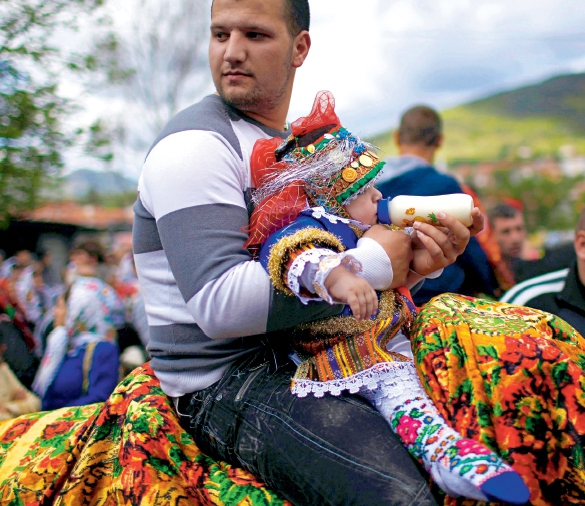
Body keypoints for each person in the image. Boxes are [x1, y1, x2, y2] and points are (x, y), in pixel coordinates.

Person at [133, 1, 483, 504]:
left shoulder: (295, 144)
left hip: (309, 347)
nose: (232, 52)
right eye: (220, 34)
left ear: (300, 48)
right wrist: (376, 264)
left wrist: (415, 269)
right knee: (400, 497)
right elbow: (217, 303)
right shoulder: (194, 145)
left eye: (255, 35)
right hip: (229, 379)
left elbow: (341, 257)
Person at [244, 91, 528, 504]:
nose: (379, 197)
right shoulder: (318, 227)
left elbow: (398, 271)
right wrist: (339, 278)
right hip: (351, 348)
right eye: (366, 190)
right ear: (332, 197)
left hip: (389, 334)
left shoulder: (361, 230)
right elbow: (293, 257)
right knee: (399, 389)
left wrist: (434, 246)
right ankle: (445, 455)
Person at [375, 105, 499, 304]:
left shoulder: (373, 187)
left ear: (397, 137)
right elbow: (470, 250)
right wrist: (493, 287)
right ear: (440, 140)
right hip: (439, 297)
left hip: (387, 295)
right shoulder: (445, 185)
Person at [32, 275, 122, 410]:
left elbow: (99, 398)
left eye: (60, 307)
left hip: (74, 426)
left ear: (77, 310)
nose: (55, 312)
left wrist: (57, 416)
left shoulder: (102, 350)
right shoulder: (64, 344)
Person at [500, 207, 585, 335]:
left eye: (519, 229)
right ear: (582, 245)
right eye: (506, 231)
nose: (515, 238)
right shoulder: (524, 305)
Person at [0, 343, 41, 421]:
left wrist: (8, 407)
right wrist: (20, 406)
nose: (4, 348)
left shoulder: (3, 369)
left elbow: (36, 402)